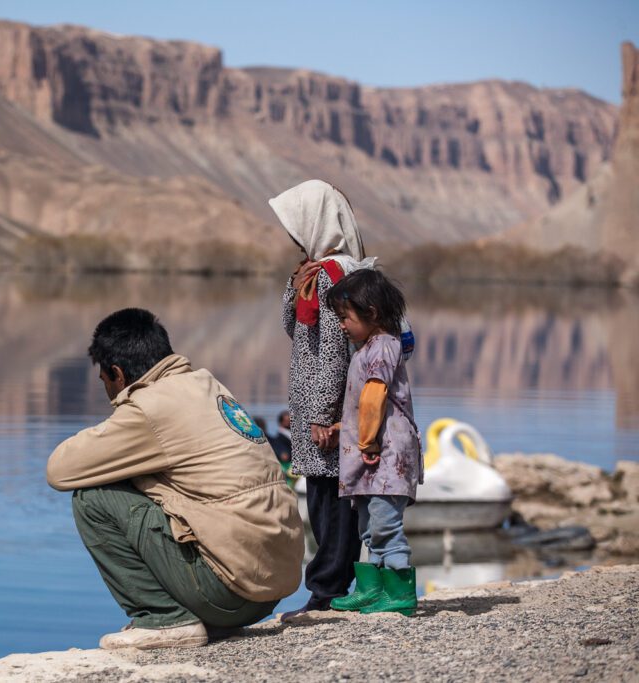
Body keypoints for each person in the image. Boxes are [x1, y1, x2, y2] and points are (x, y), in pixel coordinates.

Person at [46, 308, 304, 650]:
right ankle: (203, 617)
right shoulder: (209, 385)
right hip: (272, 587)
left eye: (104, 379)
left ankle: (164, 619)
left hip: (232, 592)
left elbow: (59, 470)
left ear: (117, 374)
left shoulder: (149, 407)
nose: (107, 389)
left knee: (92, 499)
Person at [269, 179, 376, 617]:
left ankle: (326, 594)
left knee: (329, 499)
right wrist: (294, 287)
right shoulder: (332, 271)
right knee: (334, 497)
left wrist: (322, 414)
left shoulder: (334, 276)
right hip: (325, 403)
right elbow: (296, 329)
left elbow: (330, 347)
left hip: (327, 407)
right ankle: (334, 587)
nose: (294, 238)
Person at [324, 269, 422, 615]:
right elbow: (362, 405)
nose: (341, 325)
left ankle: (399, 593)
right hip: (372, 452)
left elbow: (374, 398)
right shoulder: (368, 349)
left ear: (371, 313)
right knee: (369, 524)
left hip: (384, 453)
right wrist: (344, 428)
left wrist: (366, 442)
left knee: (384, 524)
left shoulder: (384, 347)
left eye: (345, 317)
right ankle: (372, 588)